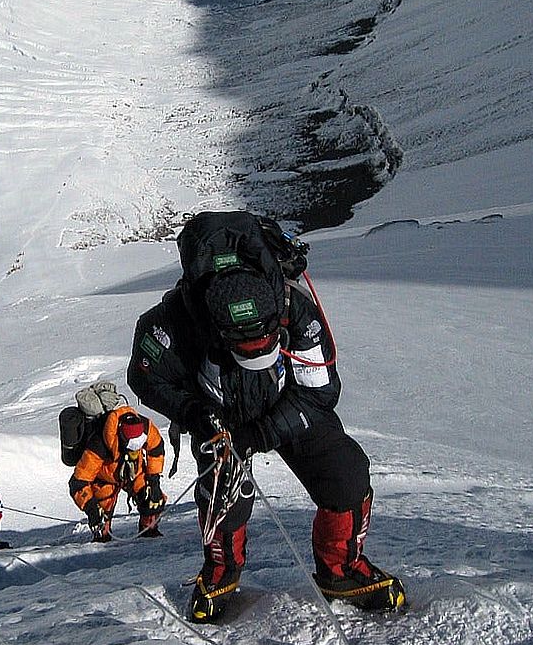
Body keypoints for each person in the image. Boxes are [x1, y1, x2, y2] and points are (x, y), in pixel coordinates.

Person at [127, 210, 405, 622]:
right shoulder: (171, 324)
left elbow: (319, 392)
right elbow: (145, 376)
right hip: (217, 414)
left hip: (287, 406)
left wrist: (258, 435)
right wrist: (194, 413)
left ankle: (341, 572)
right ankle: (220, 573)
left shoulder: (297, 310)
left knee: (345, 474)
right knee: (224, 495)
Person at [68, 405, 167, 541]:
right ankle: (102, 540)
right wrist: (91, 509)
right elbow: (78, 482)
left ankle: (149, 532)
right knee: (101, 522)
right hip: (104, 481)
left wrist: (154, 482)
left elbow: (156, 448)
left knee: (153, 501)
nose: (135, 451)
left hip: (134, 473)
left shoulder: (145, 426)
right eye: (132, 448)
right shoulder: (98, 445)